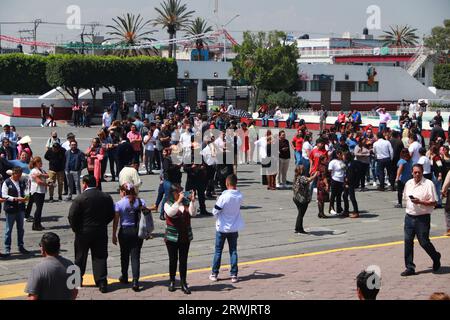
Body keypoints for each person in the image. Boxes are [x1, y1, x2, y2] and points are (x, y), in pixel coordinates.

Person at [68, 175, 115, 293]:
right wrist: (103, 223)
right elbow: (111, 213)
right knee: (100, 256)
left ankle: (77, 281)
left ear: (85, 184)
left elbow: (72, 216)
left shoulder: (80, 198)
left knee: (80, 256)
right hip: (100, 230)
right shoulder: (106, 196)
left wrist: (76, 228)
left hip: (83, 232)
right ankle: (102, 281)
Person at [401, 164, 441, 276]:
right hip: (409, 217)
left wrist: (420, 202)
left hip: (422, 218)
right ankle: (410, 267)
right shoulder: (408, 183)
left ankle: (435, 256)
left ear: (422, 172)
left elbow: (434, 202)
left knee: (424, 242)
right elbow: (405, 197)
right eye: (415, 172)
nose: (417, 174)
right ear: (412, 173)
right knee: (408, 242)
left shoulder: (428, 184)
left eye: (419, 172)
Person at [112, 183, 149, 292]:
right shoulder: (141, 202)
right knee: (135, 256)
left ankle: (124, 276)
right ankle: (135, 281)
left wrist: (113, 234)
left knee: (124, 255)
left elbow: (116, 221)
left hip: (124, 231)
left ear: (123, 192)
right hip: (137, 231)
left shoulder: (119, 204)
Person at [208, 174, 244, 283]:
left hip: (222, 227)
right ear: (236, 183)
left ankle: (214, 274)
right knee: (233, 251)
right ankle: (234, 275)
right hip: (234, 228)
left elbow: (215, 211)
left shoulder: (224, 196)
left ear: (227, 183)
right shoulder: (240, 196)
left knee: (218, 251)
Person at [164, 183, 197, 294]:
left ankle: (183, 282)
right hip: (172, 237)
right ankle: (172, 281)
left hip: (185, 236)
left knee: (183, 260)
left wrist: (192, 201)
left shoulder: (186, 203)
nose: (181, 194)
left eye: (181, 191)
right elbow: (170, 213)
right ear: (173, 193)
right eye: (179, 192)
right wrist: (178, 202)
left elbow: (193, 213)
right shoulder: (168, 203)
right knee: (173, 260)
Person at [25, 233, 78, 300]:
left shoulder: (38, 269)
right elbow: (75, 292)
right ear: (59, 247)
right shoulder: (71, 265)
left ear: (43, 249)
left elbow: (32, 298)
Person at [2, 167, 28, 257]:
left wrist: (25, 197)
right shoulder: (7, 182)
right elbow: (4, 195)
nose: (19, 177)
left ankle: (21, 246)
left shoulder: (21, 181)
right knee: (8, 229)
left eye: (20, 175)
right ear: (13, 174)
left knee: (21, 229)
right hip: (11, 208)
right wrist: (15, 199)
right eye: (18, 175)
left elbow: (24, 191)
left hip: (20, 208)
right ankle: (7, 248)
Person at [292, 166, 317, 234]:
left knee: (300, 213)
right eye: (303, 169)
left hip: (296, 198)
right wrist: (315, 175)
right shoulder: (301, 177)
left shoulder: (296, 177)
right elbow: (309, 180)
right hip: (302, 199)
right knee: (301, 214)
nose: (304, 170)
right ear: (300, 171)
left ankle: (299, 228)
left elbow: (307, 179)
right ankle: (298, 229)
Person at [28, 157, 49, 231]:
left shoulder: (41, 170)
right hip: (36, 191)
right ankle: (35, 225)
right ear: (36, 163)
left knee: (40, 208)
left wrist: (41, 175)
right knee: (38, 208)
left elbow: (47, 175)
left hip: (42, 190)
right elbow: (39, 182)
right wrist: (47, 185)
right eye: (39, 162)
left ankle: (38, 224)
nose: (41, 163)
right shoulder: (34, 170)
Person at [328, 150, 346, 215]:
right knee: (333, 195)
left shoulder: (342, 161)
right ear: (337, 154)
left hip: (341, 180)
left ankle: (339, 209)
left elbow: (344, 170)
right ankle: (331, 208)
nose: (341, 155)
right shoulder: (333, 162)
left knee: (339, 195)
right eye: (340, 154)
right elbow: (329, 171)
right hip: (335, 179)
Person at [343, 152, 360, 218]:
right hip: (347, 182)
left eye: (344, 156)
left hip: (350, 183)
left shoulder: (352, 164)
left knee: (352, 197)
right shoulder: (347, 163)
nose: (343, 157)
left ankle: (356, 212)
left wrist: (347, 183)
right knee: (344, 196)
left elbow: (351, 175)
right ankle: (346, 210)